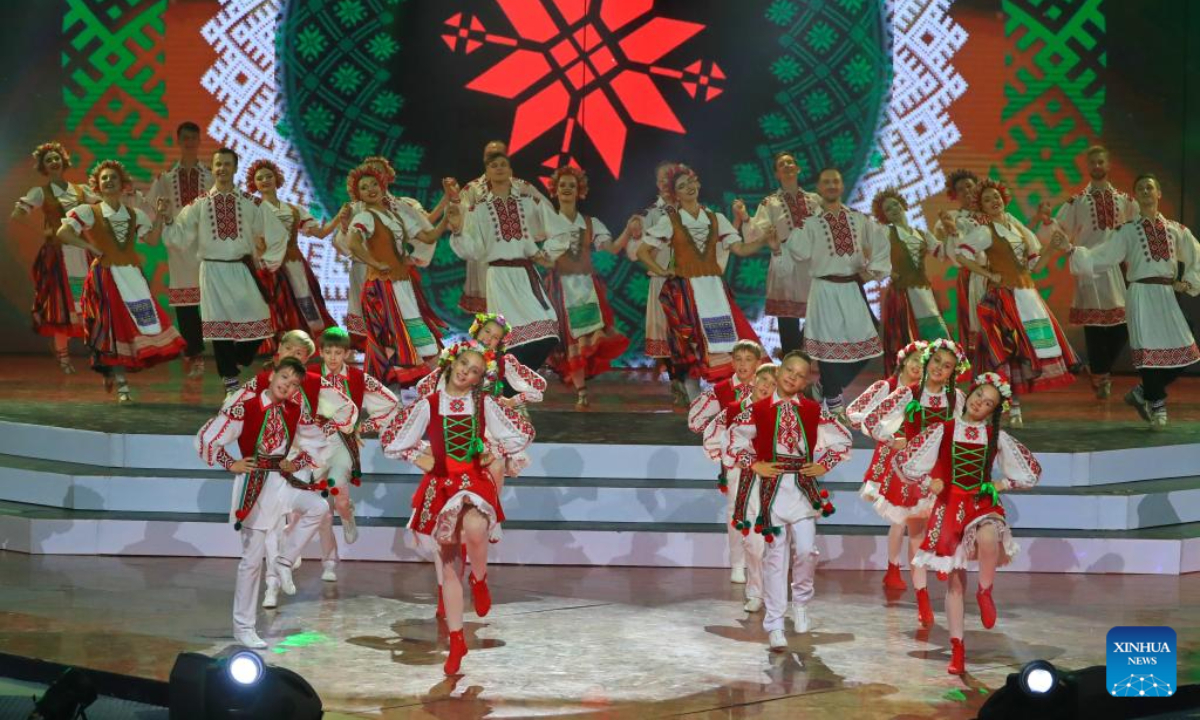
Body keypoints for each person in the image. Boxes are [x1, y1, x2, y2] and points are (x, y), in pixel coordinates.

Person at [381, 341, 534, 674]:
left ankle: (479, 580)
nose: (467, 372)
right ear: (452, 362)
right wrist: (417, 456)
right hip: (441, 484)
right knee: (449, 567)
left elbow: (520, 431)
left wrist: (494, 451)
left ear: (480, 379)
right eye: (464, 363)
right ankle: (456, 641)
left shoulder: (483, 404)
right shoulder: (429, 404)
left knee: (477, 527)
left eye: (475, 370)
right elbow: (392, 440)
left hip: (472, 479)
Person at [894, 372, 1041, 674]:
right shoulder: (944, 429)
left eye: (988, 403)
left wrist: (1000, 486)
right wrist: (929, 482)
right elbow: (908, 463)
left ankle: (985, 590)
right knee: (955, 581)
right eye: (978, 397)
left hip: (980, 502)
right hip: (950, 506)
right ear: (969, 394)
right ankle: (957, 647)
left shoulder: (994, 436)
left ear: (993, 411)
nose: (979, 404)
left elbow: (1029, 472)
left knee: (989, 537)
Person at [195, 357, 339, 648]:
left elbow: (317, 444)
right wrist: (230, 463)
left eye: (294, 383)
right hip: (256, 485)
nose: (287, 385)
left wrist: (295, 461)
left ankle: (284, 560)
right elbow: (207, 438)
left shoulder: (294, 412)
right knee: (251, 560)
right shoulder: (245, 408)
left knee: (319, 507)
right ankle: (243, 627)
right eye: (284, 378)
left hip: (281, 482)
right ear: (272, 376)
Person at [728, 351, 852, 650]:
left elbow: (842, 439)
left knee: (807, 550)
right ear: (779, 370)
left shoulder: (812, 410)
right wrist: (754, 463)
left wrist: (825, 463)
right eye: (788, 370)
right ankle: (774, 621)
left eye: (799, 375)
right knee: (775, 556)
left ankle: (801, 603)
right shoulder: (757, 410)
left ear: (805, 381)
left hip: (801, 490)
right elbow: (734, 440)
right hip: (771, 493)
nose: (792, 377)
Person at [1056, 174, 1200, 429]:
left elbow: (1195, 255)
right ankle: (1157, 405)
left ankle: (1143, 391)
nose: (1145, 191)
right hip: (1140, 293)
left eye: (1150, 187)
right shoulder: (1128, 230)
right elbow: (1103, 256)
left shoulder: (1176, 230)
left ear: (1159, 194)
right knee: (1147, 353)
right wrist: (1071, 250)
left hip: (1166, 294)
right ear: (1136, 196)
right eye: (1140, 188)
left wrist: (1187, 283)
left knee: (1188, 352)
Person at [56, 160, 185, 402]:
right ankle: (121, 383)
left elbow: (153, 240)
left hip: (132, 277)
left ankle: (111, 369)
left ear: (122, 184)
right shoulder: (89, 211)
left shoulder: (135, 215)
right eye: (104, 178)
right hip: (105, 276)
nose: (108, 181)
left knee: (140, 324)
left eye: (113, 178)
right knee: (113, 328)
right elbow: (63, 232)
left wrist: (159, 217)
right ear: (98, 184)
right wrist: (89, 246)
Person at [160, 148, 287, 393]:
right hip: (212, 271)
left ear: (235, 168)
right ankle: (230, 382)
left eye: (227, 164)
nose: (222, 169)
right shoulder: (200, 203)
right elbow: (178, 237)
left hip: (241, 269)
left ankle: (237, 362)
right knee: (220, 329)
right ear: (213, 168)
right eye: (218, 164)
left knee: (260, 321)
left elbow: (277, 233)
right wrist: (167, 219)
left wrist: (268, 262)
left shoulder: (251, 203)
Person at [861, 339, 969, 625]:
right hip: (912, 475)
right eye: (936, 362)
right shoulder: (908, 393)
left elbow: (967, 428)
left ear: (952, 371)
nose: (939, 369)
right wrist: (893, 441)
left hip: (944, 472)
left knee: (948, 524)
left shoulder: (956, 398)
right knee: (916, 534)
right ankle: (922, 597)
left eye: (947, 366)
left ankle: (941, 555)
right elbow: (871, 419)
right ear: (927, 362)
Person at [954, 178, 1078, 425]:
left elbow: (1034, 266)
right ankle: (1008, 406)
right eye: (987, 200)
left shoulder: (1018, 229)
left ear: (1004, 198)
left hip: (1027, 295)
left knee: (1026, 351)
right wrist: (988, 274)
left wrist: (1052, 249)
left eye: (996, 197)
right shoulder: (984, 231)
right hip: (1003, 296)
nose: (993, 202)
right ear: (982, 207)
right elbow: (961, 255)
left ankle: (1013, 405)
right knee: (1009, 349)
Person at [639, 164, 763, 398]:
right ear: (674, 194)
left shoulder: (715, 218)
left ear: (698, 184)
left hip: (714, 289)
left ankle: (727, 396)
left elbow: (740, 249)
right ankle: (694, 396)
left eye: (690, 183)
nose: (688, 188)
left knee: (725, 340)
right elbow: (643, 251)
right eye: (681, 186)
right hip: (687, 290)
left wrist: (764, 239)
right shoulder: (671, 220)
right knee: (691, 344)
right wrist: (661, 270)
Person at [447, 151, 572, 373]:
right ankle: (506, 386)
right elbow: (472, 248)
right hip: (498, 276)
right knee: (505, 336)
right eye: (493, 165)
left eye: (503, 164)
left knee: (550, 329)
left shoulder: (527, 202)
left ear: (511, 171)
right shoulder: (480, 208)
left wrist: (546, 254)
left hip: (525, 273)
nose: (499, 168)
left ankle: (517, 378)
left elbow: (560, 229)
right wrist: (457, 229)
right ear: (486, 173)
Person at [783, 168, 890, 418]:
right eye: (826, 182)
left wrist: (872, 272)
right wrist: (799, 223)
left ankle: (824, 386)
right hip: (824, 288)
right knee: (827, 347)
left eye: (836, 181)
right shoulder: (811, 222)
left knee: (869, 342)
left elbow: (881, 244)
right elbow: (797, 251)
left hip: (852, 287)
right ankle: (834, 401)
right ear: (819, 188)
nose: (831, 185)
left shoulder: (858, 219)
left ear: (842, 186)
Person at [1035, 145, 1138, 399]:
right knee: (1093, 325)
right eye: (1092, 163)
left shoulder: (1124, 200)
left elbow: (1138, 229)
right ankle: (1102, 378)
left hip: (1115, 268)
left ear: (1108, 164)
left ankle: (1098, 369)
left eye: (1101, 162)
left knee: (1123, 324)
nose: (1097, 166)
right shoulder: (1078, 201)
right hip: (1089, 265)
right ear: (1087, 166)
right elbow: (1059, 229)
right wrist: (1048, 221)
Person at [344, 164, 446, 386]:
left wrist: (448, 214)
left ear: (382, 185)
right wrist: (374, 262)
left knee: (410, 325)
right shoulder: (365, 216)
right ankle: (404, 381)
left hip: (401, 281)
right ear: (358, 194)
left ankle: (414, 380)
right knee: (395, 331)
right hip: (383, 285)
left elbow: (428, 237)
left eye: (373, 184)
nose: (370, 189)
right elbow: (353, 242)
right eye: (364, 187)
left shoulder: (395, 216)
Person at [543, 165, 631, 406]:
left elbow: (611, 249)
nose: (567, 189)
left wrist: (627, 231)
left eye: (572, 185)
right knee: (570, 339)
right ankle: (581, 391)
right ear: (555, 191)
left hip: (586, 287)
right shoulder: (547, 222)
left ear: (580, 190)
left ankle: (583, 390)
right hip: (561, 288)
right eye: (562, 185)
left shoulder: (591, 223)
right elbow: (535, 252)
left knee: (585, 339)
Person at [845, 340, 927, 581]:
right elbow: (854, 413)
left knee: (915, 516)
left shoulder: (925, 392)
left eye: (923, 364)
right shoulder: (886, 387)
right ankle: (893, 568)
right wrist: (886, 433)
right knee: (899, 518)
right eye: (914, 361)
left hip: (917, 458)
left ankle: (912, 567)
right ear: (902, 362)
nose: (917, 367)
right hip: (890, 458)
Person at [688, 339, 767, 583]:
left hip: (765, 458)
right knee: (737, 509)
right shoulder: (721, 390)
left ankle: (761, 562)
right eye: (739, 359)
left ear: (758, 362)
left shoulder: (767, 387)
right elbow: (695, 420)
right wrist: (721, 432)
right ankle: (738, 564)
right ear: (732, 362)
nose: (743, 365)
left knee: (765, 508)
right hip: (735, 461)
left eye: (749, 360)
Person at [11, 142, 94, 372]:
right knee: (60, 306)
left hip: (81, 252)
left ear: (64, 161)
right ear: (43, 167)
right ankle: (64, 357)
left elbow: (101, 208)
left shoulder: (81, 190)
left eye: (57, 158)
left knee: (87, 302)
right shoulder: (41, 193)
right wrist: (44, 232)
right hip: (57, 256)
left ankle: (98, 353)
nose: (54, 162)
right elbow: (17, 214)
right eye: (49, 160)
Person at [704, 363, 777, 611]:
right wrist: (733, 462)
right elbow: (715, 439)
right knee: (752, 534)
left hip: (774, 479)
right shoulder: (735, 410)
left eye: (773, 383)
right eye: (764, 379)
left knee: (775, 535)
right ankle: (754, 589)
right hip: (743, 475)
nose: (766, 385)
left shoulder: (782, 411)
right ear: (754, 380)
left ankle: (773, 590)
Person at [244, 159, 344, 337]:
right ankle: (279, 345)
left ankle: (310, 339)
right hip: (268, 266)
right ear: (254, 184)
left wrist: (338, 218)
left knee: (304, 298)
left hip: (294, 262)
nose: (265, 180)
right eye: (260, 178)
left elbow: (320, 233)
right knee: (274, 304)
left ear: (277, 179)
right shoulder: (252, 210)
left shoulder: (293, 210)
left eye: (269, 176)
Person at [147, 122, 214, 376]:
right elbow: (152, 207)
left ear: (198, 141)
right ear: (178, 140)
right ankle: (195, 355)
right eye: (185, 137)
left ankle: (226, 351)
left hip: (206, 244)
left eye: (193, 138)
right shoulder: (165, 178)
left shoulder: (210, 176)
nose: (189, 142)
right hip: (178, 245)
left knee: (212, 299)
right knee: (186, 303)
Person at [737, 151, 821, 354]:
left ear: (798, 168)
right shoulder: (770, 203)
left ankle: (800, 353)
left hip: (813, 262)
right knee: (788, 318)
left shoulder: (815, 200)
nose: (787, 166)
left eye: (791, 162)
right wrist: (745, 218)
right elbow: (756, 233)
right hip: (786, 260)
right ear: (776, 174)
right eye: (782, 164)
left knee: (820, 312)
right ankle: (791, 360)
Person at [454, 140, 551, 314]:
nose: (496, 163)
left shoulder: (521, 187)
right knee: (488, 310)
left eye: (500, 156)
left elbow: (547, 214)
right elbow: (458, 220)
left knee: (522, 308)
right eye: (491, 157)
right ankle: (490, 339)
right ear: (485, 160)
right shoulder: (472, 189)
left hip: (515, 258)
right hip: (484, 259)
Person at [872, 188, 951, 375]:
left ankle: (938, 374)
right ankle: (912, 379)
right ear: (885, 216)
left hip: (924, 291)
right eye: (888, 209)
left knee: (935, 330)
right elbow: (874, 260)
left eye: (895, 205)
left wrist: (949, 232)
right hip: (902, 293)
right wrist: (890, 273)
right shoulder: (885, 232)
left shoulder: (921, 234)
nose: (894, 209)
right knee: (908, 335)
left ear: (904, 205)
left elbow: (942, 253)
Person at [627, 161, 685, 403]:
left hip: (689, 281)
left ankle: (689, 382)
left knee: (685, 335)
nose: (665, 183)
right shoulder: (650, 214)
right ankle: (677, 384)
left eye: (669, 179)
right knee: (666, 335)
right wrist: (661, 269)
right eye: (661, 179)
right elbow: (635, 251)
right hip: (662, 281)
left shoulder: (692, 210)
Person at [934, 169, 985, 362]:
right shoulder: (954, 218)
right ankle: (977, 366)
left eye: (969, 186)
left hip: (997, 274)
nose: (966, 191)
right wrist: (952, 231)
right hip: (970, 276)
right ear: (954, 195)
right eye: (960, 189)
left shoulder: (991, 213)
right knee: (973, 323)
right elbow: (955, 257)